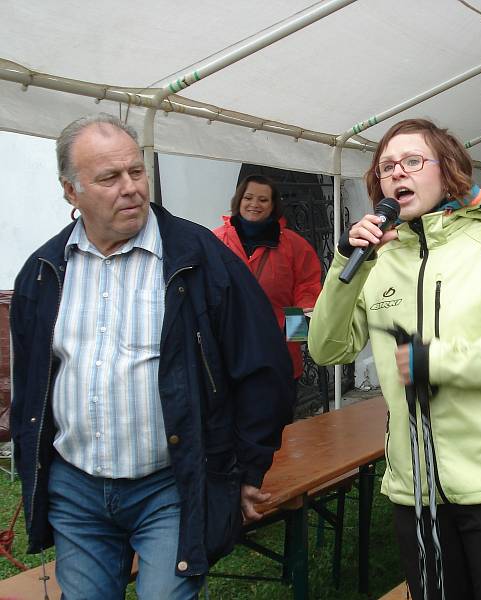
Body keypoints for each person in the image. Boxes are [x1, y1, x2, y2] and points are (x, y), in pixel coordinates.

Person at [10, 114, 293, 599]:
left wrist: (247, 470)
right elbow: (31, 382)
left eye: (136, 172)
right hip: (76, 491)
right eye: (109, 178)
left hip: (172, 488)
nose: (131, 189)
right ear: (70, 191)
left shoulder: (200, 258)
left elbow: (263, 365)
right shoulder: (41, 272)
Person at [308, 118, 481, 600]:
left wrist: (441, 360)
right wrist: (343, 264)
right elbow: (328, 348)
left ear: (446, 172)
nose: (396, 174)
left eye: (412, 161)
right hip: (415, 490)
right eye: (386, 167)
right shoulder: (375, 260)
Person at [213, 175, 322, 399]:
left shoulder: (294, 245)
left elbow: (307, 289)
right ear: (238, 201)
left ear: (273, 206)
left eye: (263, 200)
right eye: (249, 197)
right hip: (229, 353)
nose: (254, 204)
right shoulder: (215, 241)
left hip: (277, 356)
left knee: (277, 423)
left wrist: (291, 335)